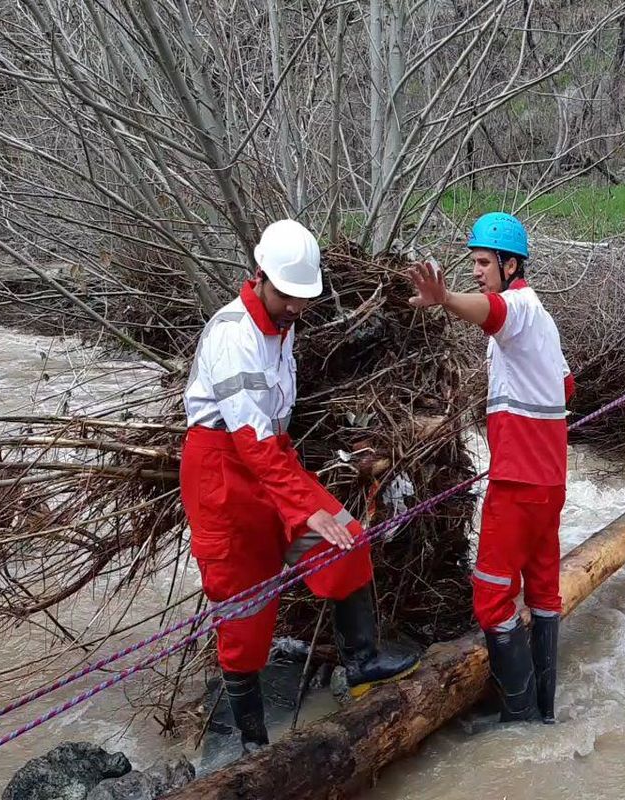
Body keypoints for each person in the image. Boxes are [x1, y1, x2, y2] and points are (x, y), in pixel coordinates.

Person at [181, 219, 419, 755]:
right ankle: (250, 740)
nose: (296, 306)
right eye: (288, 295)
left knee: (347, 541)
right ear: (260, 276)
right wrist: (302, 509)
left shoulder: (282, 326)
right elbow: (249, 440)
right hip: (222, 471)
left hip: (272, 460)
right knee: (243, 605)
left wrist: (307, 508)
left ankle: (361, 663)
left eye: (303, 297)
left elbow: (270, 445)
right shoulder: (233, 334)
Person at [407, 212, 573, 724]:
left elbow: (491, 312)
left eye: (483, 262)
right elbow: (566, 388)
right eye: (473, 262)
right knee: (543, 593)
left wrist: (446, 300)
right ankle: (544, 713)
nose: (476, 270)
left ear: (510, 264)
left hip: (517, 483)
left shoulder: (518, 307)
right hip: (550, 482)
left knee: (492, 599)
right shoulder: (543, 318)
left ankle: (518, 719)